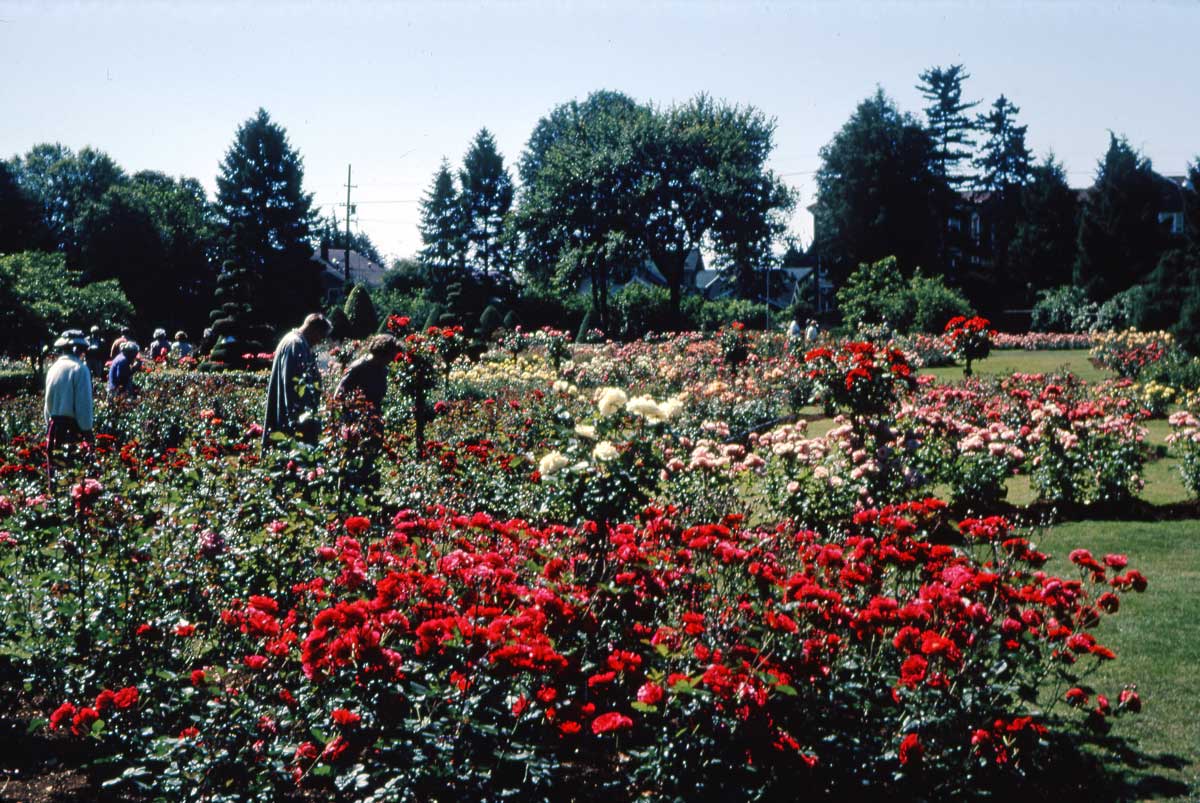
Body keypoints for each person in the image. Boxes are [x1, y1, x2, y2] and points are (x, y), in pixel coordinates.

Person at [334, 334, 401, 485]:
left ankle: (366, 486)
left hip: (374, 420)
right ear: (382, 353)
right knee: (354, 460)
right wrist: (350, 416)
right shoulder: (359, 367)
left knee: (370, 459)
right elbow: (339, 395)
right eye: (391, 356)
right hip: (356, 422)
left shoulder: (382, 369)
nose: (392, 360)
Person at [263, 313, 331, 447]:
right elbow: (293, 385)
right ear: (314, 330)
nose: (319, 342)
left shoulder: (295, 341)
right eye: (321, 337)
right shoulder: (296, 344)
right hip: (294, 418)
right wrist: (297, 420)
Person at [44, 329, 94, 476]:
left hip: (54, 427)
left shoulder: (53, 368)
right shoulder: (80, 369)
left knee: (56, 473)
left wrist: (50, 425)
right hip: (72, 429)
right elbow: (83, 405)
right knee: (74, 474)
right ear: (77, 348)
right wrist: (87, 432)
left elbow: (47, 405)